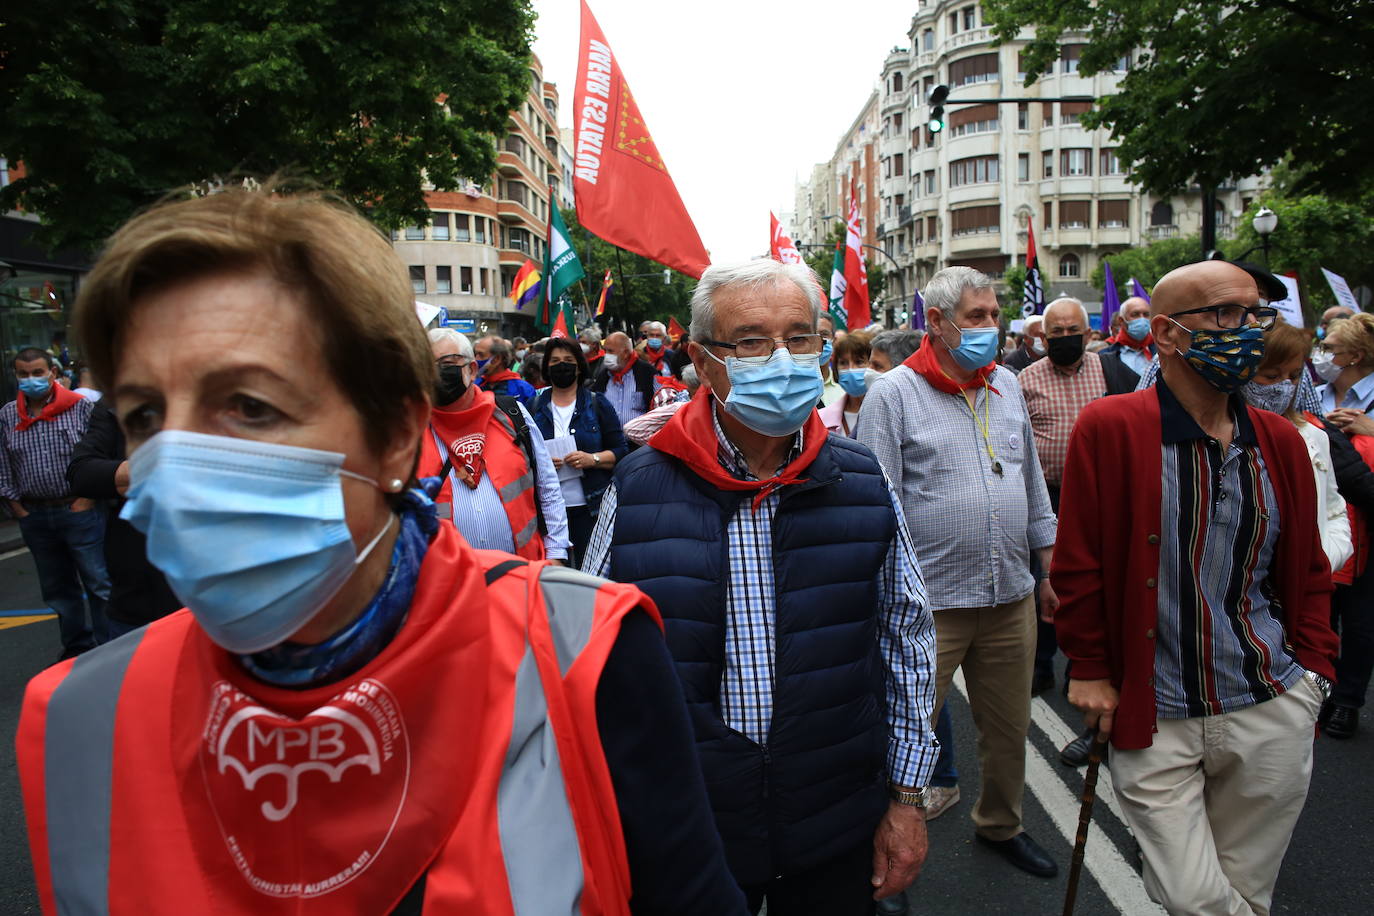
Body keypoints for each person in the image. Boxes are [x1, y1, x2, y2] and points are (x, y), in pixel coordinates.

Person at [18, 185, 747, 915]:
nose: (178, 464)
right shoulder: (83, 718)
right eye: (145, 414)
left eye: (249, 406)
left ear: (398, 435)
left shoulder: (584, 653)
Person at [585, 259, 939, 913]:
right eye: (751, 340)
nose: (782, 358)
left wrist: (907, 798)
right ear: (703, 358)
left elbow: (907, 638)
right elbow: (591, 658)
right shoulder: (639, 487)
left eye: (800, 337)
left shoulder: (862, 479)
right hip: (692, 825)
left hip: (836, 819)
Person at [1053, 260, 1338, 916]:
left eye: (1254, 315)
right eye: (1224, 314)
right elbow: (1078, 563)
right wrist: (1091, 667)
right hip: (1160, 714)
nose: (1247, 330)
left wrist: (1315, 676)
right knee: (1192, 895)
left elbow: (1309, 574)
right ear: (1167, 333)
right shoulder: (1112, 427)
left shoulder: (1280, 442)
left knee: (1246, 890)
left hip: (1269, 702)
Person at [858, 266, 1059, 880]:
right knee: (902, 737)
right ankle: (882, 855)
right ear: (937, 323)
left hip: (1010, 597)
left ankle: (1002, 825)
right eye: (977, 318)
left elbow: (1029, 483)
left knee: (1008, 728)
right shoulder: (894, 393)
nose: (991, 329)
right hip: (929, 607)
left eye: (995, 316)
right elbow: (874, 499)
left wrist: (1047, 567)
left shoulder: (1005, 382)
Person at [1017, 297, 1139, 712]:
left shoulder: (1115, 373)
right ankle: (1041, 663)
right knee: (1045, 583)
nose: (1065, 339)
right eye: (1057, 333)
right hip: (1047, 499)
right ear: (1043, 337)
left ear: (1088, 335)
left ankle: (1084, 668)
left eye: (1073, 332)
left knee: (1094, 583)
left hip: (1101, 500)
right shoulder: (1024, 380)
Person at [420, 328, 571, 564]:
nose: (437, 373)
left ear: (471, 370)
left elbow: (547, 485)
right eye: (428, 366)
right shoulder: (412, 430)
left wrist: (557, 552)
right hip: (448, 585)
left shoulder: (511, 415)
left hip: (524, 575)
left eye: (447, 363)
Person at [1, 347, 111, 658]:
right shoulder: (8, 415)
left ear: (53, 372)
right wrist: (17, 508)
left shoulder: (81, 408)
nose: (31, 379)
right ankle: (77, 650)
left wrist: (87, 499)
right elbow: (3, 464)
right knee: (58, 590)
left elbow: (100, 456)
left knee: (99, 583)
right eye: (23, 374)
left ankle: (109, 650)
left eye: (37, 372)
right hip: (34, 515)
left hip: (78, 511)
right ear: (15, 375)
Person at [66, 399, 182, 640]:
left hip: (220, 594)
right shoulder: (115, 405)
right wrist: (145, 468)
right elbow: (81, 472)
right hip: (139, 590)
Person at [1243, 321, 1352, 572]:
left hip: (1301, 588)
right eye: (1271, 376)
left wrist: (1325, 559)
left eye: (1293, 376)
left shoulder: (1313, 436)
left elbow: (1334, 512)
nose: (1284, 386)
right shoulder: (1220, 435)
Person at [1312, 312, 1374, 738]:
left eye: (1329, 348)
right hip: (1321, 522)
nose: (1322, 355)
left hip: (1368, 526)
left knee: (1360, 623)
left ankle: (1348, 701)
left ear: (1353, 356)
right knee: (1317, 615)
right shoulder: (1312, 395)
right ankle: (1317, 690)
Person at [529, 337, 628, 568]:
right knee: (553, 575)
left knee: (589, 570)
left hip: (590, 508)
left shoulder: (597, 403)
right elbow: (522, 456)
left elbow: (621, 451)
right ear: (546, 366)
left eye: (567, 360)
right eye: (554, 361)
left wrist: (591, 459)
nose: (561, 365)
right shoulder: (533, 407)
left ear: (578, 366)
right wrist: (540, 462)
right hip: (548, 512)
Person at [622, 364, 700, 447]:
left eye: (690, 392)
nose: (689, 395)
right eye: (689, 392)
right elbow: (632, 429)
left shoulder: (688, 403)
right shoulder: (672, 398)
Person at [591, 331, 655, 427]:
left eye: (611, 351)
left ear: (625, 353)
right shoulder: (603, 376)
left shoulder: (647, 373)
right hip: (610, 440)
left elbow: (659, 408)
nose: (606, 355)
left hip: (640, 439)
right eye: (605, 351)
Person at [819, 330, 872, 437]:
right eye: (843, 363)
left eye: (859, 362)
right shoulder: (822, 417)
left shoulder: (887, 413)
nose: (851, 369)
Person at [1101, 296, 1154, 382]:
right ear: (1121, 321)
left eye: (1146, 315)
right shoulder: (1104, 357)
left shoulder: (1161, 353)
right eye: (1135, 315)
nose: (1142, 319)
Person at [473, 335, 536, 403]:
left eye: (481, 355)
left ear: (497, 359)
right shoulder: (473, 387)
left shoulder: (523, 390)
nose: (476, 359)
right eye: (475, 354)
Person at [818, 312, 841, 404]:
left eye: (824, 335)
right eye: (812, 334)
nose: (818, 340)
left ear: (834, 341)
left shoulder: (845, 390)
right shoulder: (791, 388)